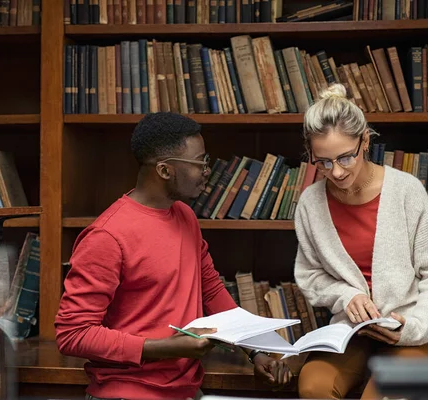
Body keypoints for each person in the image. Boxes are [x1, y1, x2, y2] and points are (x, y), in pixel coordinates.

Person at [55, 112, 292, 400]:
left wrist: (255, 351)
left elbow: (212, 291)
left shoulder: (185, 216)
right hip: (126, 393)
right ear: (165, 170)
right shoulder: (107, 236)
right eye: (200, 163)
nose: (208, 171)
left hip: (186, 391)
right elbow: (73, 334)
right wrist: (165, 348)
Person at [293, 84, 428, 399]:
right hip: (350, 332)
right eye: (323, 162)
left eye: (345, 158)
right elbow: (309, 274)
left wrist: (413, 326)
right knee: (314, 387)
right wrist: (347, 296)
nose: (336, 172)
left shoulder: (407, 191)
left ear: (364, 141)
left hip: (411, 329)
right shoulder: (310, 203)